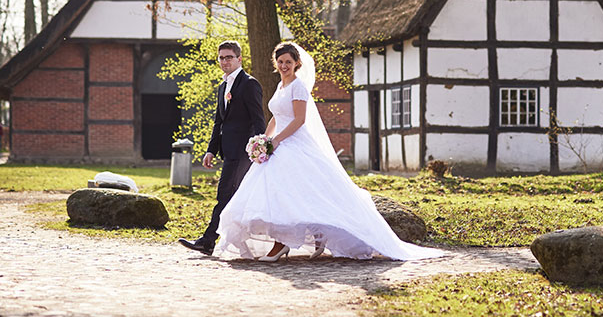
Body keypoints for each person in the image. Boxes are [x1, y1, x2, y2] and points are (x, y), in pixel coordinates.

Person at [215, 42, 443, 261]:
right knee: (284, 193)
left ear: (296, 64)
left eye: (288, 61)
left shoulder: (297, 86)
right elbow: (277, 116)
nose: (284, 65)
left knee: (302, 192)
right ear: (275, 64)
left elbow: (299, 120)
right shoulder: (280, 86)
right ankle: (307, 237)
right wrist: (264, 139)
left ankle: (284, 242)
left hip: (294, 143)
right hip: (277, 143)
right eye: (280, 61)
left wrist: (276, 141)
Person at [178, 40, 265, 256]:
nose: (224, 61)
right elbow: (220, 122)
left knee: (225, 194)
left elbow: (258, 120)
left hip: (244, 152)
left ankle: (208, 240)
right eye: (221, 57)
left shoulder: (249, 84)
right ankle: (237, 240)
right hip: (228, 151)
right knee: (233, 196)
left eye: (229, 57)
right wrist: (211, 150)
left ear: (239, 59)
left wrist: (258, 148)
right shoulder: (222, 86)